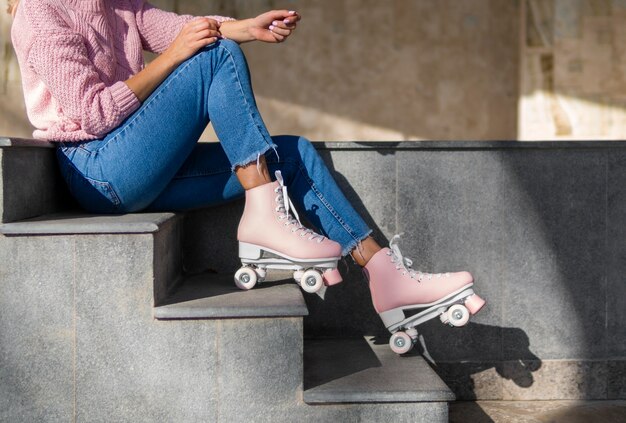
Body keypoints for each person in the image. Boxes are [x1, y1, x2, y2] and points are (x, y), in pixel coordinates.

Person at [8, 0, 485, 353]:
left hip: (137, 163)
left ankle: (384, 276)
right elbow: (92, 113)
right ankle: (264, 217)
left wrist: (246, 29)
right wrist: (172, 57)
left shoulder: (118, 4)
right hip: (98, 170)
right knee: (213, 58)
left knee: (290, 152)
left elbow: (186, 28)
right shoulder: (39, 13)